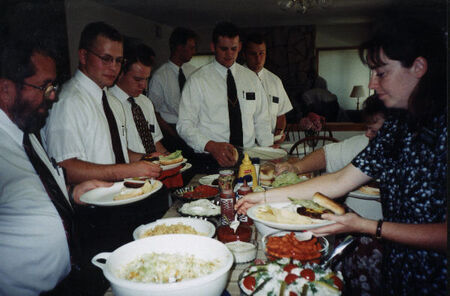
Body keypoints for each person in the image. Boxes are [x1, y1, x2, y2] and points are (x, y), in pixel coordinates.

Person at [237, 16, 447, 295]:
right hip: (398, 269)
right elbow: (339, 180)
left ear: (418, 67)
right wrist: (262, 198)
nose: (372, 83)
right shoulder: (398, 126)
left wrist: (366, 226)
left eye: (381, 72)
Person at [0, 39, 111, 296]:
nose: (54, 95)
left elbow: (34, 194)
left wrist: (73, 193)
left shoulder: (27, 132)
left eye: (54, 85)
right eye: (44, 86)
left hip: (66, 282)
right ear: (5, 89)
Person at [43, 22, 161, 184]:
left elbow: (113, 149)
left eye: (119, 61)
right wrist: (125, 170)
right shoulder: (68, 101)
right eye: (106, 59)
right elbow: (64, 167)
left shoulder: (110, 100)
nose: (114, 67)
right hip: (89, 203)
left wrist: (144, 158)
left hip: (119, 196)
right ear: (83, 56)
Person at [177, 21, 273, 171]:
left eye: (233, 49)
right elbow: (184, 125)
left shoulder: (251, 78)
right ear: (213, 47)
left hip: (247, 158)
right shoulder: (197, 80)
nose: (229, 54)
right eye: (223, 49)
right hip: (211, 159)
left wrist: (269, 150)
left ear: (240, 47)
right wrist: (211, 146)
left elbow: (261, 120)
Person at [275, 94, 387, 176]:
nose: (367, 134)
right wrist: (296, 168)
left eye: (374, 131)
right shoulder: (362, 143)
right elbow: (326, 154)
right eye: (366, 128)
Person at [109, 40, 168, 156]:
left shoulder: (145, 102)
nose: (144, 86)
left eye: (146, 79)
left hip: (151, 169)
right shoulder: (107, 103)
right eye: (137, 79)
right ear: (120, 73)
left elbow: (155, 142)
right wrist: (147, 160)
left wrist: (171, 158)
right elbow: (114, 151)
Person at [148, 27, 198, 155]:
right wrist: (174, 133)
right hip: (171, 131)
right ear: (179, 48)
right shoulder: (160, 76)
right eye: (191, 47)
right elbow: (153, 112)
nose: (194, 51)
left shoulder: (194, 72)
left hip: (193, 127)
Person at [242, 32, 293, 144]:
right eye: (253, 54)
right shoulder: (236, 79)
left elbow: (281, 113)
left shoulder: (275, 81)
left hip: (271, 143)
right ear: (244, 55)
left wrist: (278, 133)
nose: (258, 58)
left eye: (261, 53)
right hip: (245, 144)